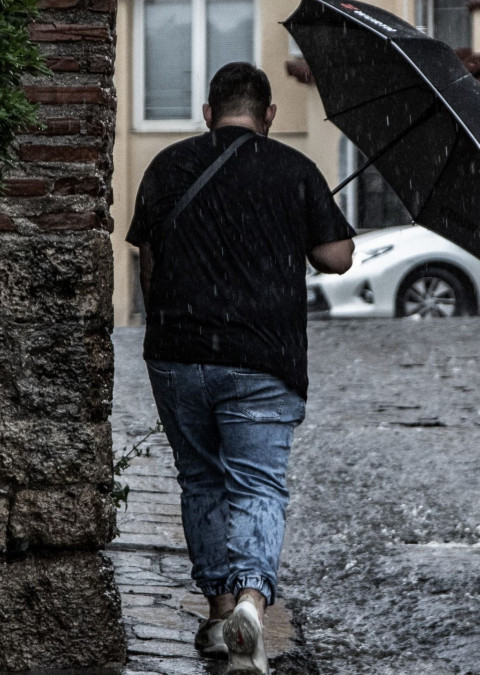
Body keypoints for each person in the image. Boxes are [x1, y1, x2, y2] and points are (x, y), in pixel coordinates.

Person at [126, 62, 354, 674]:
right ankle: (251, 602)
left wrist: (168, 328)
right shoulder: (294, 170)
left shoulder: (168, 166)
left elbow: (149, 260)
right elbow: (337, 258)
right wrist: (310, 217)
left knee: (201, 482)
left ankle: (219, 613)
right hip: (262, 359)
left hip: (178, 355)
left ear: (208, 113)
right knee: (257, 485)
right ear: (269, 115)